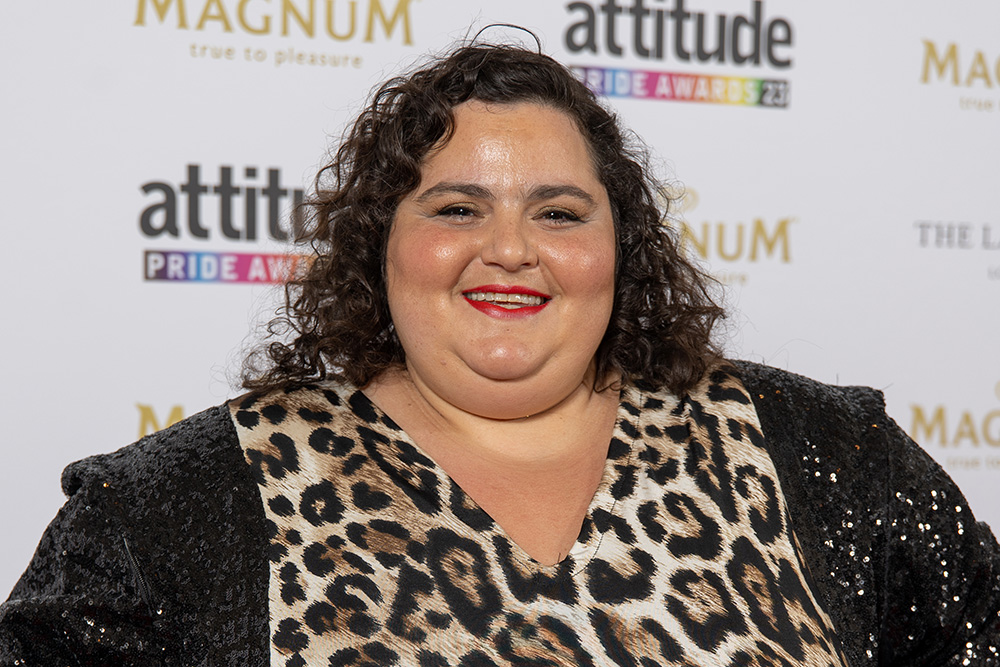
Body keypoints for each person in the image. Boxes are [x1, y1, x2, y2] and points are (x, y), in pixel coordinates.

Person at [2, 39, 999, 667]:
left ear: (618, 247)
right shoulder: (175, 510)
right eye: (456, 207)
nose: (511, 247)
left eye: (558, 211)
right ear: (379, 245)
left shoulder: (822, 453)